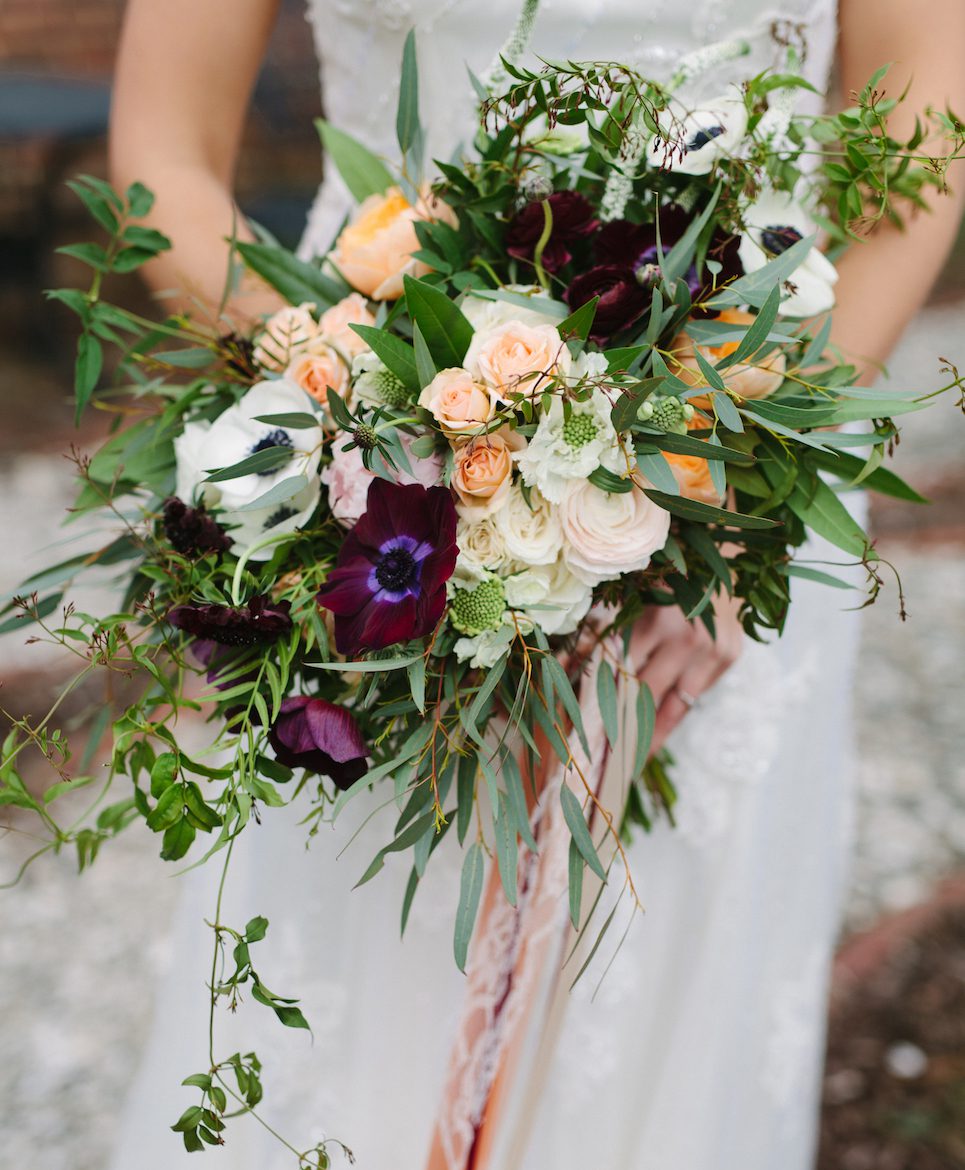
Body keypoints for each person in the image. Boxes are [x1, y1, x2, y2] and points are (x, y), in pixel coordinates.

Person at [107, 2, 965, 1168]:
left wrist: (740, 505)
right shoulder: (360, 450)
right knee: (366, 964)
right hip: (374, 486)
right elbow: (165, 148)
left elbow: (926, 124)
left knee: (661, 986)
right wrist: (350, 417)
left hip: (747, 461)